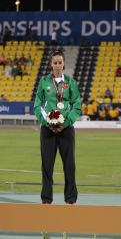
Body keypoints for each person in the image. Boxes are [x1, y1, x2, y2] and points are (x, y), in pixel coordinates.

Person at [33, 49, 81, 205]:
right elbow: (37, 105)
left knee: (70, 164)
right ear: (50, 64)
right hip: (47, 129)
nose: (58, 65)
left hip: (66, 129)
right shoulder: (44, 82)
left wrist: (64, 123)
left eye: (60, 62)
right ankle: (46, 200)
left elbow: (76, 107)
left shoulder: (71, 83)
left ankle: (70, 199)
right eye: (55, 63)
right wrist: (47, 122)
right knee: (47, 165)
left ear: (64, 63)